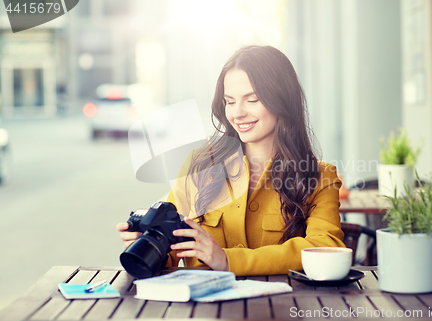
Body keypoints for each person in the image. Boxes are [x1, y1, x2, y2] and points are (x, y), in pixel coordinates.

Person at [117, 45, 345, 276]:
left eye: (252, 99)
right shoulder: (199, 164)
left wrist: (227, 259)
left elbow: (326, 247)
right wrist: (148, 248)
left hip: (282, 308)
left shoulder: (319, 176)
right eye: (230, 101)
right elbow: (172, 250)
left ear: (282, 100)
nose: (237, 113)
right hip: (206, 309)